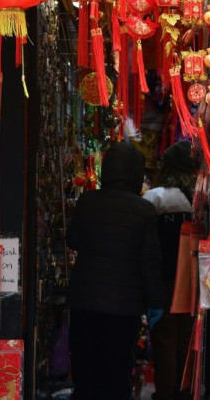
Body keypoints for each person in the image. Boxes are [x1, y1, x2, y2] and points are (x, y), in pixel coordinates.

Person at [67, 142, 165, 400]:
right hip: (124, 306)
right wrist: (155, 302)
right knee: (117, 370)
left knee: (85, 367)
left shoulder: (88, 201)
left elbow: (73, 239)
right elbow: (150, 262)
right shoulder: (144, 210)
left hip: (85, 298)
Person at [143, 141, 198, 400]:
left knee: (164, 338)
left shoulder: (156, 197)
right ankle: (185, 392)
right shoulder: (198, 199)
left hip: (162, 277)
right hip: (192, 280)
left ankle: (166, 393)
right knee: (187, 339)